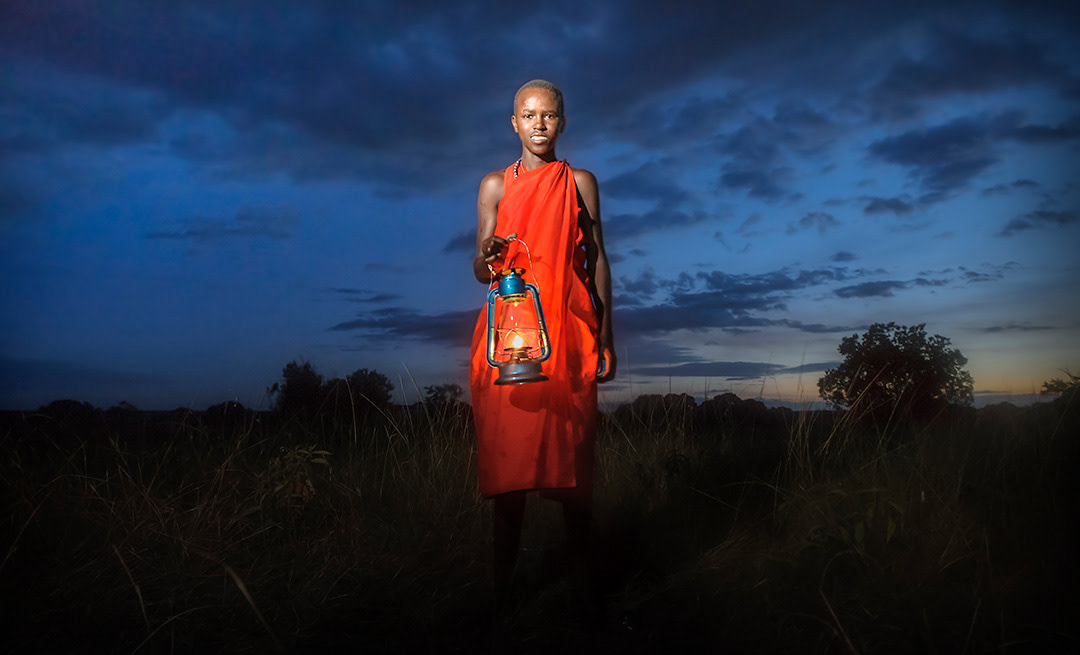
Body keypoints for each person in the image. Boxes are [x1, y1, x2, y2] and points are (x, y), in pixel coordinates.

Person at [468, 79, 616, 619]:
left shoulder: (579, 182)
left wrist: (606, 336)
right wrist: (488, 254)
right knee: (509, 482)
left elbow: (597, 258)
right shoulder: (495, 186)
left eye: (548, 115)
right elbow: (479, 268)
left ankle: (586, 603)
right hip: (512, 341)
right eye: (528, 115)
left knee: (573, 478)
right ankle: (500, 604)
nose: (538, 124)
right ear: (514, 123)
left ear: (562, 122)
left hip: (570, 336)